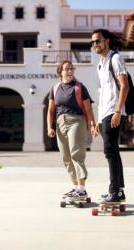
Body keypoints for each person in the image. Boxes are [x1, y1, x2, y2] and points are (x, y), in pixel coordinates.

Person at [47, 60, 96, 200]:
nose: (70, 71)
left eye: (71, 69)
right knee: (66, 157)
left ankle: (82, 188)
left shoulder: (80, 87)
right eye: (67, 69)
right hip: (60, 122)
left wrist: (92, 124)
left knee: (76, 154)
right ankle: (76, 188)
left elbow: (88, 108)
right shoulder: (55, 88)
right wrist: (49, 127)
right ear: (60, 72)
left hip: (76, 121)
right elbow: (51, 110)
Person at [91, 29, 128, 203]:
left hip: (114, 111)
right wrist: (98, 119)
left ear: (106, 41)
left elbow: (125, 86)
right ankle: (118, 191)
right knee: (112, 151)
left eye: (97, 41)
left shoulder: (115, 58)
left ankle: (115, 191)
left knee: (110, 151)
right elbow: (103, 93)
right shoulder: (100, 64)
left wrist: (118, 111)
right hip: (105, 113)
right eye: (92, 42)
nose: (95, 45)